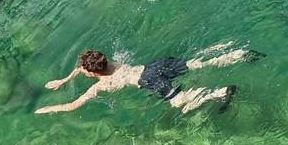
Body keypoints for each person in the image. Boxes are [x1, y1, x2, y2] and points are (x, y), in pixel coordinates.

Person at [35, 41, 263, 115]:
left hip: (149, 80)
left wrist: (46, 109)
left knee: (178, 102)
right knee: (197, 63)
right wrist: (63, 80)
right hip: (155, 65)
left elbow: (73, 105)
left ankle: (221, 92)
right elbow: (82, 68)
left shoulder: (103, 85)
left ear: (93, 72)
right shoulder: (111, 63)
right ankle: (238, 54)